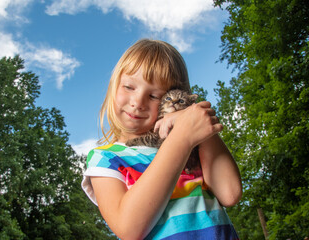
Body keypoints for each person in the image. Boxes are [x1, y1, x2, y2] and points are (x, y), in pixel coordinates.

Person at [81, 39, 242, 239]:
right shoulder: (104, 158)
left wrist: (193, 118)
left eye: (154, 96)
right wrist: (181, 138)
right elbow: (129, 229)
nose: (138, 102)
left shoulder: (193, 148)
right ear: (114, 86)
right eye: (129, 87)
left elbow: (230, 193)